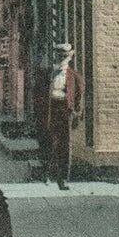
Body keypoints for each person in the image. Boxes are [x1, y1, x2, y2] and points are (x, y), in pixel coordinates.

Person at [45, 43, 84, 191]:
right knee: (49, 141)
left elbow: (79, 94)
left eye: (65, 56)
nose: (62, 58)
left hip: (65, 111)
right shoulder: (49, 74)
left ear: (70, 57)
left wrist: (76, 112)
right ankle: (48, 174)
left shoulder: (74, 76)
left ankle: (63, 179)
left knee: (64, 145)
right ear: (55, 56)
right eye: (59, 56)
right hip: (51, 110)